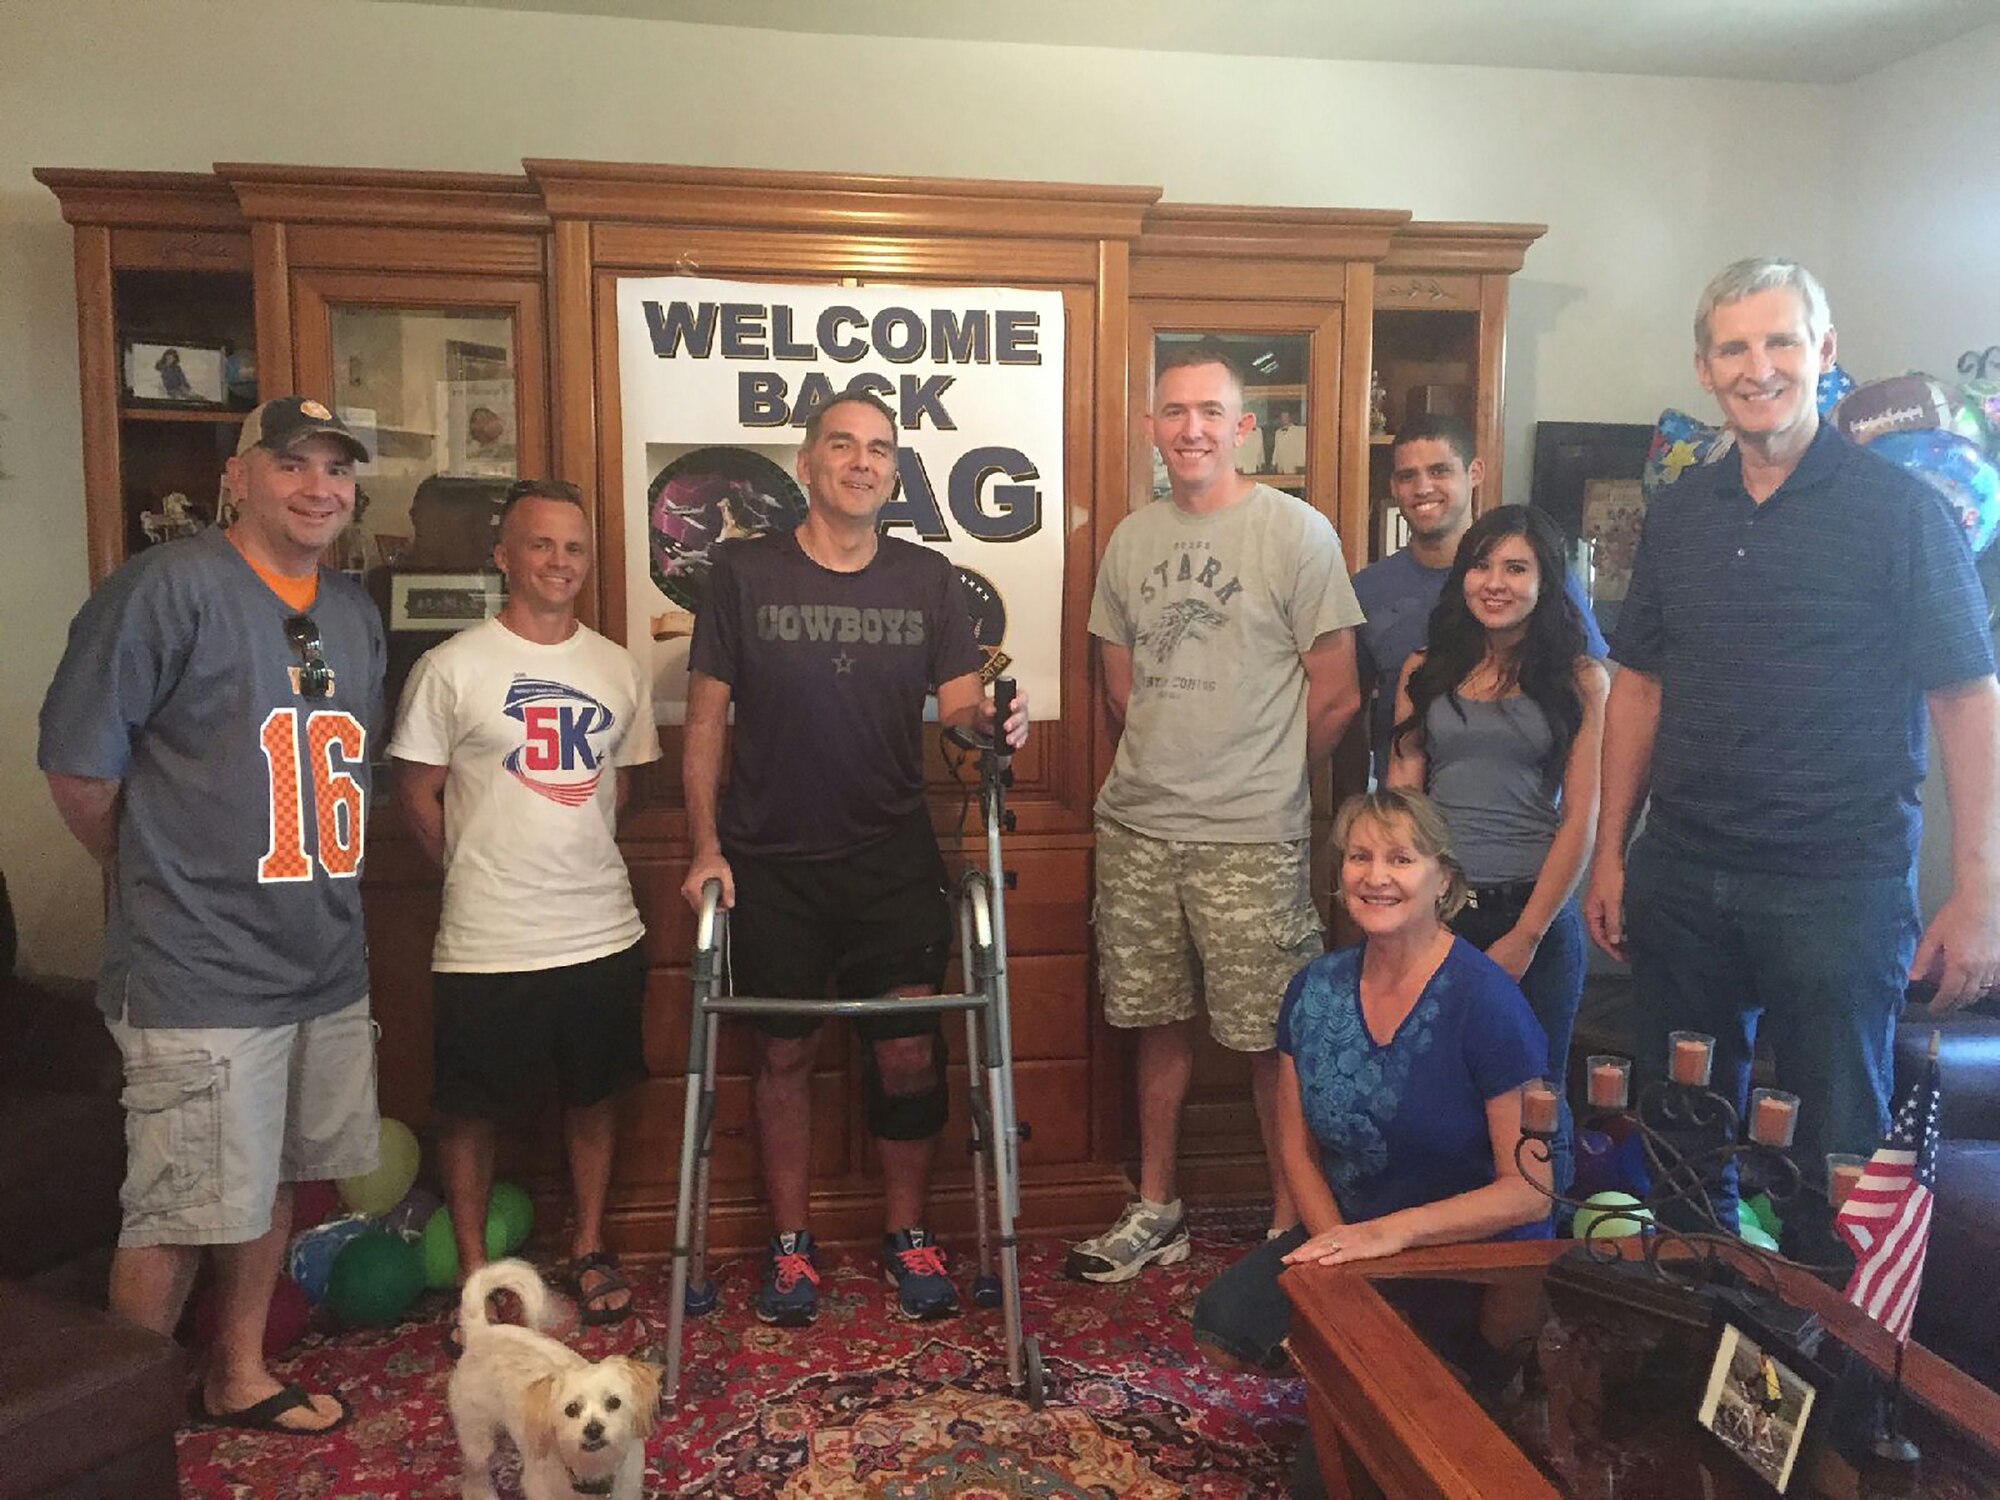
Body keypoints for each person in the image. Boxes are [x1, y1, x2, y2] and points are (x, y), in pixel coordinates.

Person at [1584, 258, 2000, 1239]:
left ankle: (1823, 1374)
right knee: (1681, 1136)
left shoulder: (1900, 513)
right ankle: (1695, 1344)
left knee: (1831, 1156)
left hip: (1835, 887)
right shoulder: (1680, 513)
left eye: (1778, 341)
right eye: (1731, 347)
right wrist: (1610, 852)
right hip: (1681, 873)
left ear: (1821, 351)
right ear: (1703, 368)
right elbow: (1636, 686)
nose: (1755, 366)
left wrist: (1976, 890)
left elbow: (1964, 695)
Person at [39, 395, 384, 1435]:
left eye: (336, 468)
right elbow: (78, 774)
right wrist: (162, 878)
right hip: (198, 969)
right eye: (292, 464)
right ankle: (121, 1430)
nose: (318, 487)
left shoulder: (353, 611)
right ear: (237, 475)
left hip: (320, 960)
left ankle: (238, 1371)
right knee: (178, 1209)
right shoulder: (165, 589)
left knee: (269, 1184)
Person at [678, 390, 1028, 1326]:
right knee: (783, 1051)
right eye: (843, 444)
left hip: (890, 856)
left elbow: (960, 711)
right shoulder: (742, 573)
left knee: (910, 1052)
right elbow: (706, 720)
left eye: (879, 448)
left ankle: (908, 1232)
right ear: (807, 464)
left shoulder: (927, 578)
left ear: (894, 469)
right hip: (770, 860)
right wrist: (705, 846)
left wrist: (992, 725)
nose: (862, 461)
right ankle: (792, 1245)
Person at [1070, 343, 1363, 1284]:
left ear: (1242, 427)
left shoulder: (1297, 532)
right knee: (1154, 1021)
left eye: (1210, 412)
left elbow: (1338, 694)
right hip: (1140, 829)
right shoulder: (1129, 538)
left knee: (1273, 1035)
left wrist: (1267, 777)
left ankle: (1288, 1225)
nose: (1190, 429)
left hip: (1253, 838)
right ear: (1154, 427)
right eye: (1173, 412)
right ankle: (1158, 1207)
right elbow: (1121, 685)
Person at [390, 479, 659, 1346]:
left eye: (574, 548)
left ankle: (587, 1248)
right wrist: (474, 872)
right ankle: (476, 1278)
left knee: (593, 1095)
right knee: (472, 1109)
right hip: (486, 938)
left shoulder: (619, 666)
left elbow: (626, 787)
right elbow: (417, 794)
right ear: (503, 556)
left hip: (600, 928)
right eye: (540, 545)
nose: (559, 562)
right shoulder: (453, 666)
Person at [1190, 789, 1550, 1378]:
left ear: (1443, 880)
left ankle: (1489, 1373)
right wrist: (1344, 1258)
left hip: (1464, 1254)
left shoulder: (1487, 1001)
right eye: (1360, 858)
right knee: (1223, 1327)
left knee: (1372, 1461)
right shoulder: (1313, 988)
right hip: (1354, 1236)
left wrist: (1388, 1237)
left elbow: (1531, 1191)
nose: (1376, 877)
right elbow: (1296, 1152)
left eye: (1401, 860)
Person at [1387, 504, 1607, 1189]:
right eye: (1482, 565)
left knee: (1535, 1098)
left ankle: (1535, 1259)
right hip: (1438, 917)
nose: (1496, 582)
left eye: (1517, 568)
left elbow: (1582, 819)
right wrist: (1409, 918)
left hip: (1534, 916)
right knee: (1432, 1089)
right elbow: (1403, 809)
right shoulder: (1423, 671)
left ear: (1547, 582)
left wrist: (1530, 934)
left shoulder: (1582, 681)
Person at [1353, 414, 1605, 787]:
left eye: (1439, 471)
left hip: (1530, 813)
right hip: (1412, 814)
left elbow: (1595, 691)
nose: (1423, 488)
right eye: (1408, 476)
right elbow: (1349, 711)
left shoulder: (1539, 577)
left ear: (1474, 473)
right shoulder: (1367, 589)